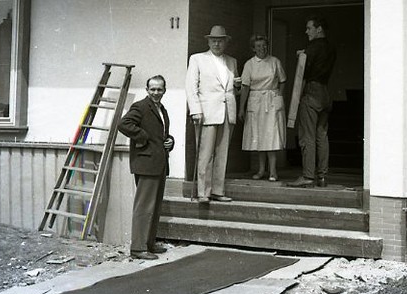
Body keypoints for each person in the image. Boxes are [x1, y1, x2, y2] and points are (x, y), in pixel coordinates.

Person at [118, 75, 174, 260]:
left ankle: (149, 244)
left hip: (158, 163)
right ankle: (138, 248)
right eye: (153, 89)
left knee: (154, 206)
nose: (156, 93)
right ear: (147, 90)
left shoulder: (162, 109)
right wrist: (143, 138)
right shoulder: (141, 107)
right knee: (144, 207)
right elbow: (124, 124)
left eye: (159, 89)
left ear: (164, 90)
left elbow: (161, 134)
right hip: (146, 163)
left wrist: (170, 141)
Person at [185, 25, 239, 203]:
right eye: (214, 40)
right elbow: (191, 87)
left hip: (226, 111)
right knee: (205, 153)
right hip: (206, 112)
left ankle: (217, 190)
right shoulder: (197, 59)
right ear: (208, 41)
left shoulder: (232, 61)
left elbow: (232, 88)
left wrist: (237, 86)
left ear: (226, 42)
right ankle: (203, 192)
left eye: (220, 40)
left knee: (222, 153)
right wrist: (195, 110)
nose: (217, 43)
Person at [287, 16, 336, 188]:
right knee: (322, 136)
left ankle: (308, 176)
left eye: (309, 28)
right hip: (325, 92)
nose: (306, 31)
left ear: (319, 28)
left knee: (307, 135)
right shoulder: (330, 47)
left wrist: (303, 55)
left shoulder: (312, 47)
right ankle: (322, 176)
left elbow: (303, 73)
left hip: (312, 92)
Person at [238, 34, 287, 181]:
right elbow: (245, 87)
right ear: (253, 48)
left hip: (271, 101)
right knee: (259, 137)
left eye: (264, 45)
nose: (262, 48)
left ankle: (272, 171)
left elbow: (283, 80)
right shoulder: (249, 64)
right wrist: (242, 108)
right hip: (255, 101)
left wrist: (279, 96)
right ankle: (260, 170)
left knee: (271, 136)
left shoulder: (275, 62)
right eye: (258, 46)